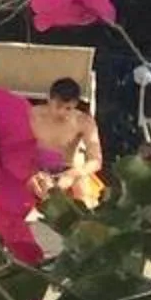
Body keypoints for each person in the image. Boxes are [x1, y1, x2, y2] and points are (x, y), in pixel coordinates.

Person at [29, 78, 104, 206]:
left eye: (68, 108)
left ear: (75, 104)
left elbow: (96, 161)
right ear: (49, 99)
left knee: (83, 190)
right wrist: (30, 174)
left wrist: (72, 174)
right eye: (58, 106)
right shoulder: (31, 116)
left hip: (68, 170)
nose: (62, 112)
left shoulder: (83, 121)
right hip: (35, 170)